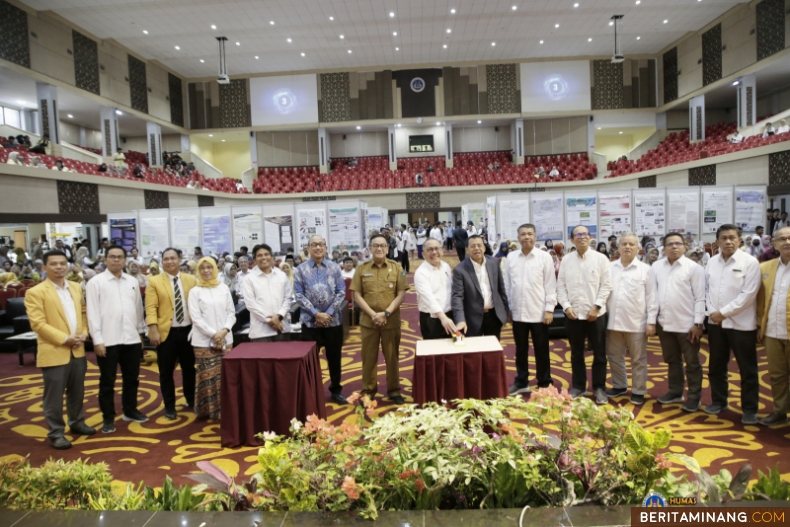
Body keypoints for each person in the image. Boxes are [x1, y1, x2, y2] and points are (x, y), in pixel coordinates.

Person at [24, 250, 94, 449]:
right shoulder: (35, 292)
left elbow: (83, 312)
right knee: (54, 396)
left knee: (77, 391)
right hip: (55, 350)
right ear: (44, 268)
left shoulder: (75, 287)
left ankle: (77, 422)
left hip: (78, 348)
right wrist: (65, 339)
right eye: (53, 264)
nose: (59, 267)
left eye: (62, 263)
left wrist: (84, 333)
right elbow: (38, 324)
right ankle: (56, 433)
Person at [86, 245, 148, 433]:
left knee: (132, 378)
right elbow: (92, 313)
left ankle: (130, 410)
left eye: (120, 257)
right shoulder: (95, 282)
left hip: (131, 338)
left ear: (125, 260)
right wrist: (97, 340)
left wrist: (140, 334)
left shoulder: (132, 281)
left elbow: (138, 310)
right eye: (112, 257)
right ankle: (108, 418)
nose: (116, 260)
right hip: (108, 340)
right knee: (107, 382)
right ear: (105, 260)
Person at [704, 224, 760, 424]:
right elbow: (707, 290)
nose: (728, 241)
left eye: (732, 238)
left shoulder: (750, 262)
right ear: (717, 241)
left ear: (739, 240)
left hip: (741, 325)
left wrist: (723, 313)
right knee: (716, 365)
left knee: (747, 369)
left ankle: (750, 409)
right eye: (723, 238)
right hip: (716, 324)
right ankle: (719, 401)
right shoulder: (711, 262)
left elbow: (749, 294)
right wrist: (712, 312)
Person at [650, 232, 706, 412]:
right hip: (664, 323)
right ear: (664, 248)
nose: (674, 247)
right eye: (670, 244)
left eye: (678, 244)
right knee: (672, 360)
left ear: (684, 246)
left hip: (687, 325)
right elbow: (652, 295)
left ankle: (694, 397)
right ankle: (675, 392)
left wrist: (698, 323)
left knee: (692, 363)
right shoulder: (657, 266)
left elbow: (700, 298)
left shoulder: (694, 268)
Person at [557, 225, 613, 403]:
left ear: (590, 237)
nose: (582, 237)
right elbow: (561, 287)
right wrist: (566, 307)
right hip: (573, 315)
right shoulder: (566, 260)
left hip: (596, 314)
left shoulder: (601, 259)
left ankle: (599, 388)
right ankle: (579, 386)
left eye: (585, 234)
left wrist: (596, 307)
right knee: (576, 353)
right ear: (571, 239)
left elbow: (607, 285)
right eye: (577, 235)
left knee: (599, 353)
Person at [351, 234, 407, 403]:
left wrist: (386, 313)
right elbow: (356, 294)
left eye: (383, 246)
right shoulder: (361, 269)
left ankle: (394, 390)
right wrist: (373, 314)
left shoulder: (398, 268)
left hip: (391, 321)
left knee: (392, 357)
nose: (379, 249)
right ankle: (368, 391)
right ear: (369, 248)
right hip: (369, 322)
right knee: (368, 358)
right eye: (375, 245)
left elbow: (401, 294)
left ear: (388, 249)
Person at [145, 247, 198, 420]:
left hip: (189, 332)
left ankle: (191, 400)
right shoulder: (154, 281)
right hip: (166, 333)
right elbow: (151, 307)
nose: (169, 261)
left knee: (189, 369)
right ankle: (169, 406)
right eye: (166, 259)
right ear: (162, 261)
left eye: (173, 258)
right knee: (166, 372)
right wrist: (153, 329)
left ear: (180, 259)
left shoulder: (191, 280)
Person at [293, 236, 347, 404]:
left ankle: (336, 390)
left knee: (334, 358)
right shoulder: (300, 270)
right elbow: (299, 295)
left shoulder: (334, 268)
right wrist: (316, 313)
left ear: (325, 247)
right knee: (310, 360)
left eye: (321, 244)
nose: (317, 247)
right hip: (310, 322)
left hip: (333, 322)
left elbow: (341, 292)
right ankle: (311, 391)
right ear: (308, 248)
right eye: (314, 245)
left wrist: (328, 314)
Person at [505, 224, 557, 394]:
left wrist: (549, 309)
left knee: (541, 349)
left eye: (530, 234)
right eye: (523, 234)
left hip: (539, 312)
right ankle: (521, 381)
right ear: (518, 237)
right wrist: (508, 309)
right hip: (518, 312)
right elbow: (507, 285)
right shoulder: (511, 257)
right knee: (520, 349)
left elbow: (550, 285)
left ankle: (544, 382)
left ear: (535, 236)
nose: (526, 237)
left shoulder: (544, 257)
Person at [604, 234, 656, 406]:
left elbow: (652, 297)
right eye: (624, 244)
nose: (627, 247)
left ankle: (639, 390)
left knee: (638, 359)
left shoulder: (646, 270)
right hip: (612, 322)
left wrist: (651, 321)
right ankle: (619, 385)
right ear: (618, 247)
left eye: (631, 244)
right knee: (614, 356)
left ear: (638, 248)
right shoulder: (609, 267)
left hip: (637, 323)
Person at [187, 257, 235, 420]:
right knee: (207, 377)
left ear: (215, 269)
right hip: (203, 341)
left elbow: (231, 313)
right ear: (198, 271)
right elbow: (196, 317)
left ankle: (225, 410)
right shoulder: (195, 291)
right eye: (202, 268)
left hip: (225, 339)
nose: (206, 270)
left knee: (224, 376)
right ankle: (208, 411)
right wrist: (214, 334)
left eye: (209, 267)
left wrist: (223, 331)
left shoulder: (223, 288)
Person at [756, 226, 790, 426]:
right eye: (782, 239)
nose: (787, 242)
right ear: (774, 244)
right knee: (776, 375)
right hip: (772, 330)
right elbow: (760, 299)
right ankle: (780, 411)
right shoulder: (766, 268)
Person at [452, 235, 509, 339]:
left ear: (484, 248)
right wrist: (460, 319)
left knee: (493, 350)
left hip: (494, 316)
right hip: (472, 318)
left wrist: (505, 311)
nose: (476, 248)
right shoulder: (460, 270)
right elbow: (457, 297)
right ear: (467, 250)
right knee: (474, 352)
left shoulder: (494, 263)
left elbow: (501, 289)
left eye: (479, 245)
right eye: (472, 246)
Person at [243, 244, 292, 342]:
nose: (264, 257)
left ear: (272, 257)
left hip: (282, 328)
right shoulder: (249, 278)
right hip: (261, 332)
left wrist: (279, 316)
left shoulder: (281, 275)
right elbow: (250, 304)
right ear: (254, 259)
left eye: (266, 254)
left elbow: (288, 298)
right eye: (259, 255)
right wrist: (270, 321)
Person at [414, 238, 456, 340]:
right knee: (434, 352)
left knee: (452, 350)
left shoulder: (446, 266)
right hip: (431, 319)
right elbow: (429, 299)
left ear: (442, 251)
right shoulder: (421, 273)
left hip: (450, 315)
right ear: (423, 254)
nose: (434, 252)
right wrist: (443, 318)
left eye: (437, 249)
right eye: (430, 250)